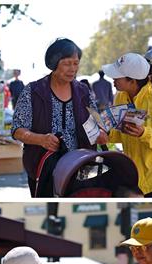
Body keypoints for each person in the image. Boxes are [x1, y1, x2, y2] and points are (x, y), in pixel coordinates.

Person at [12, 38, 96, 197]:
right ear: (53, 62)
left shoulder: (84, 91)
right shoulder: (33, 91)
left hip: (82, 169)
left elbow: (96, 124)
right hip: (44, 169)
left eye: (76, 63)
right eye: (67, 63)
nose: (73, 69)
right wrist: (41, 139)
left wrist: (101, 134)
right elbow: (17, 129)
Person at [97, 53, 152, 198]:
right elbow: (122, 132)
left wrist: (144, 133)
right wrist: (106, 134)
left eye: (117, 76)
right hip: (137, 175)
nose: (112, 79)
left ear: (132, 81)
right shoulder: (120, 96)